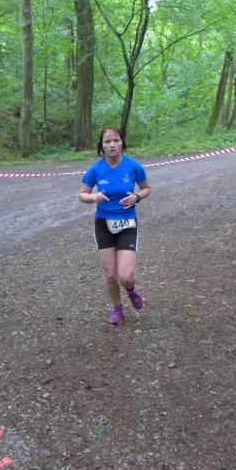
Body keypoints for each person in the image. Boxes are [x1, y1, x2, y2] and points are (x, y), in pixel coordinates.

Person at [78, 127, 151, 325]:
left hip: (127, 223)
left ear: (122, 143)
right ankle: (117, 309)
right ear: (101, 145)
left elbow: (146, 188)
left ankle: (132, 290)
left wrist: (137, 197)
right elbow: (82, 194)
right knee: (110, 274)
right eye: (107, 141)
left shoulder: (133, 166)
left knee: (125, 276)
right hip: (103, 224)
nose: (112, 145)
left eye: (116, 140)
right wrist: (94, 197)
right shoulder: (95, 169)